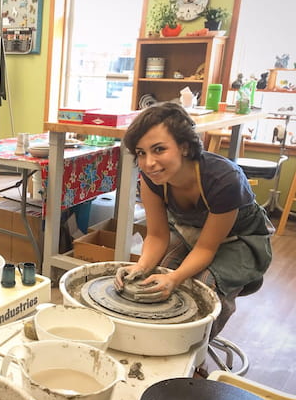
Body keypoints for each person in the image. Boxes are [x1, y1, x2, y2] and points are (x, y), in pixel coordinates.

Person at [114, 102, 272, 339]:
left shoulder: (224, 180)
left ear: (184, 147)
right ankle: (153, 340)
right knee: (151, 279)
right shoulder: (151, 178)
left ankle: (194, 354)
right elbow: (157, 235)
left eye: (159, 149)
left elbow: (207, 248)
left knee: (203, 285)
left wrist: (174, 278)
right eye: (141, 153)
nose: (149, 163)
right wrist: (141, 266)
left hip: (239, 240)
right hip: (190, 231)